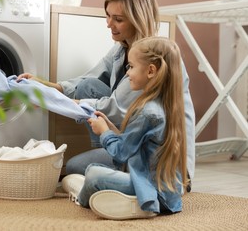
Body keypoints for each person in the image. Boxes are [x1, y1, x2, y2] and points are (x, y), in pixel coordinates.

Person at [17, 0, 195, 188]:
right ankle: (112, 160)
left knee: (74, 167)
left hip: (162, 159)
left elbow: (114, 108)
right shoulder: (123, 48)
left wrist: (53, 101)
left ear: (137, 20)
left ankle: (116, 166)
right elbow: (88, 80)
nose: (109, 24)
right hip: (133, 139)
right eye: (108, 16)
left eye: (117, 19)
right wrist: (47, 86)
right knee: (89, 86)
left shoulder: (153, 59)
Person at [62, 36, 188, 220]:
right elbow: (132, 145)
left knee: (93, 174)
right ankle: (128, 201)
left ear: (151, 70)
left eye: (131, 67)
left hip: (150, 188)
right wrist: (111, 127)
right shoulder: (163, 106)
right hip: (165, 192)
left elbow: (121, 153)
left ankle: (86, 198)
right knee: (94, 171)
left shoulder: (148, 112)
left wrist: (103, 132)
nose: (128, 73)